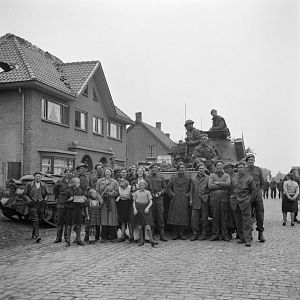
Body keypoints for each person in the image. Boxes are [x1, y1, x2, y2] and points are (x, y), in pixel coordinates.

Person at [230, 161, 257, 247]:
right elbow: (231, 188)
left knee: (247, 221)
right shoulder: (234, 178)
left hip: (245, 201)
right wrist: (232, 197)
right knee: (238, 221)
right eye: (238, 168)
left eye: (241, 167)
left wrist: (250, 200)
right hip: (235, 202)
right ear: (237, 169)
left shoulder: (249, 178)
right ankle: (241, 237)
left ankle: (248, 239)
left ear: (244, 168)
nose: (240, 169)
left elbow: (254, 190)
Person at [23, 172, 49, 243]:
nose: (38, 177)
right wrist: (29, 201)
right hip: (33, 203)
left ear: (41, 177)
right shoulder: (29, 184)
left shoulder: (43, 185)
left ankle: (33, 234)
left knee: (39, 219)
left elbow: (47, 194)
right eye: (36, 176)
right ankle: (37, 236)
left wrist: (45, 200)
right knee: (35, 219)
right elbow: (24, 194)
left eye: (39, 176)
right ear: (34, 177)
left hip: (41, 203)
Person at [208, 160, 231, 241]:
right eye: (217, 165)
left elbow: (228, 185)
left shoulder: (227, 175)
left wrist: (217, 183)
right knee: (215, 216)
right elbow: (210, 186)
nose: (219, 167)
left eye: (220, 165)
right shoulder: (212, 175)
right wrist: (222, 185)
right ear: (215, 166)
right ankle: (215, 234)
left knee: (224, 217)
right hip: (214, 198)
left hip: (224, 198)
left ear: (222, 166)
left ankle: (225, 235)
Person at [167, 163, 191, 240]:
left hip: (184, 199)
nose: (181, 169)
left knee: (183, 217)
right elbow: (168, 187)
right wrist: (172, 194)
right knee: (174, 216)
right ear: (177, 169)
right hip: (175, 198)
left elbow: (192, 188)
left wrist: (188, 194)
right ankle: (175, 233)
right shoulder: (173, 178)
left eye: (182, 167)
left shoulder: (188, 178)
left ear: (184, 169)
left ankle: (182, 233)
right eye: (180, 167)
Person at [245, 154, 266, 243]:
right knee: (248, 215)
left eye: (252, 159)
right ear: (247, 161)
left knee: (260, 214)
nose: (251, 161)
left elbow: (262, 182)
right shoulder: (244, 170)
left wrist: (259, 191)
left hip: (257, 194)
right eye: (249, 159)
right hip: (248, 194)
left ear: (254, 160)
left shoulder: (258, 169)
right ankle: (249, 235)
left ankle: (260, 233)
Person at [133, 180, 158, 247]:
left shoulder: (147, 192)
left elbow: (151, 201)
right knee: (140, 225)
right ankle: (141, 240)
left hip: (145, 209)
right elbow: (134, 201)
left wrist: (147, 208)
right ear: (138, 186)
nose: (142, 186)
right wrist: (135, 209)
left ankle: (152, 240)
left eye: (143, 185)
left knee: (147, 225)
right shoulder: (136, 193)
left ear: (145, 185)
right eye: (140, 185)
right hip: (138, 209)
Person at [96, 168, 119, 242]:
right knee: (104, 218)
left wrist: (111, 194)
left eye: (109, 172)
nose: (107, 174)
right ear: (104, 173)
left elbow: (117, 192)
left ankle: (112, 236)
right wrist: (100, 199)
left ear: (111, 173)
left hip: (111, 201)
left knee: (111, 218)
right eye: (106, 172)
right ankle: (103, 236)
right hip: (103, 202)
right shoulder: (99, 181)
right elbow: (97, 192)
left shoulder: (114, 182)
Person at [147, 163, 167, 241]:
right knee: (152, 217)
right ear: (150, 169)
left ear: (157, 169)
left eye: (155, 168)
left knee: (160, 216)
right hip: (151, 198)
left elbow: (165, 188)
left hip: (159, 199)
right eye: (152, 168)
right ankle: (152, 235)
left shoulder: (161, 177)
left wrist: (160, 192)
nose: (154, 169)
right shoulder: (147, 177)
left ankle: (162, 235)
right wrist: (149, 193)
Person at [190, 163, 210, 241]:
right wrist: (191, 200)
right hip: (195, 200)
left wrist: (207, 197)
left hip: (204, 200)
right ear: (197, 170)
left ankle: (204, 233)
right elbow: (191, 190)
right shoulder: (193, 178)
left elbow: (210, 189)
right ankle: (195, 233)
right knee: (194, 218)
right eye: (199, 168)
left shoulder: (208, 178)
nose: (201, 170)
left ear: (205, 169)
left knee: (204, 218)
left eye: (202, 168)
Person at [53, 168, 73, 243]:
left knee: (68, 221)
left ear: (71, 173)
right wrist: (59, 197)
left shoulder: (73, 181)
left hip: (69, 203)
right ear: (64, 173)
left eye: (70, 172)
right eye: (67, 172)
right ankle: (58, 237)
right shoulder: (60, 181)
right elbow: (55, 190)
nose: (68, 173)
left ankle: (66, 237)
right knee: (60, 221)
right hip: (61, 203)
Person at [65, 177, 87, 247]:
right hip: (70, 210)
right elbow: (64, 201)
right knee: (69, 225)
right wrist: (69, 199)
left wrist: (84, 199)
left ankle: (79, 239)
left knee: (78, 225)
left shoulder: (80, 191)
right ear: (74, 183)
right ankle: (68, 241)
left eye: (79, 182)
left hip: (78, 209)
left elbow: (83, 202)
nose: (79, 184)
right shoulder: (68, 191)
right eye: (78, 182)